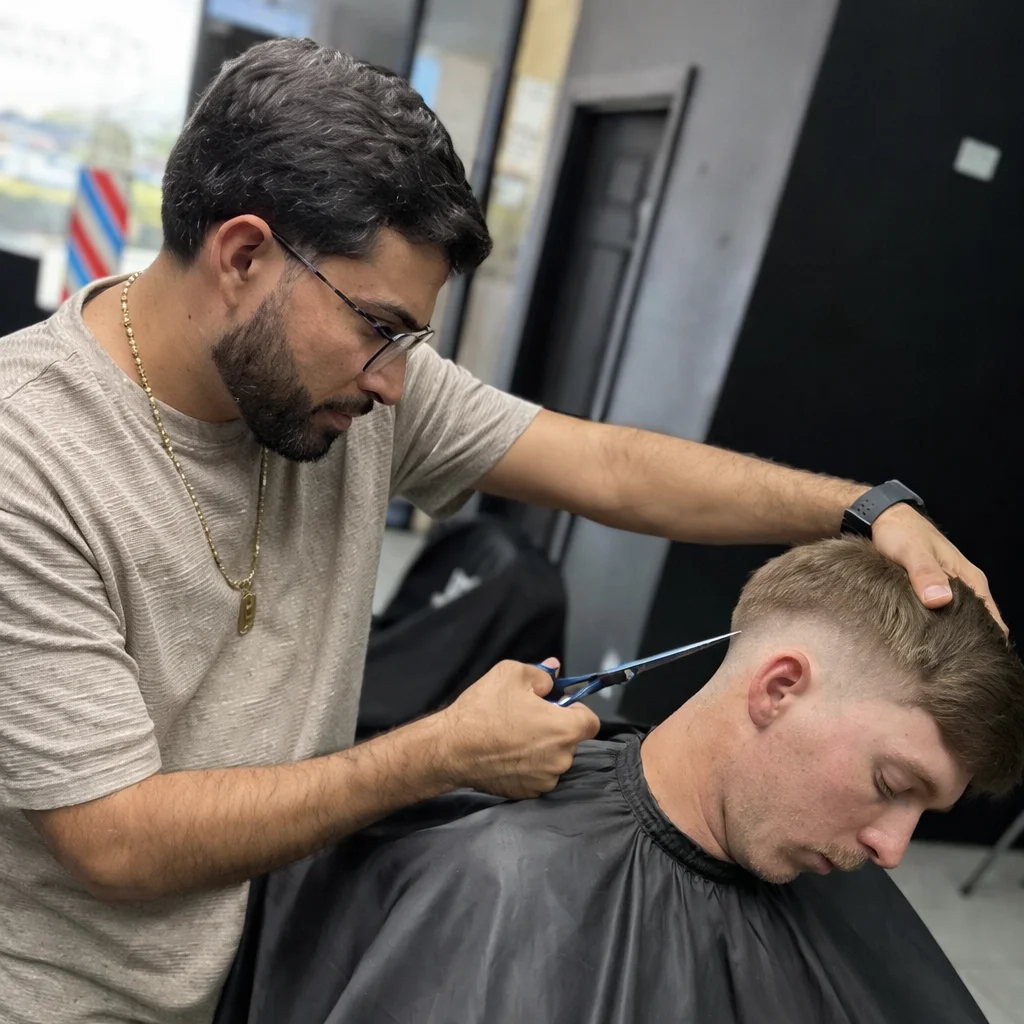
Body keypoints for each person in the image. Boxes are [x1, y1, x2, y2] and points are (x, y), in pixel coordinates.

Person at [0, 37, 1004, 1024]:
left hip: (265, 960)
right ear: (244, 255)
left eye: (412, 340)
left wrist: (862, 506)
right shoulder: (31, 460)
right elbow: (115, 842)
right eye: (379, 328)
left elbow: (606, 466)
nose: (396, 385)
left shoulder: (351, 384)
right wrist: (437, 753)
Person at [238, 538, 1024, 1024]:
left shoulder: (822, 872)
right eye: (890, 782)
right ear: (779, 688)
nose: (893, 849)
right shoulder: (506, 881)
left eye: (924, 810)